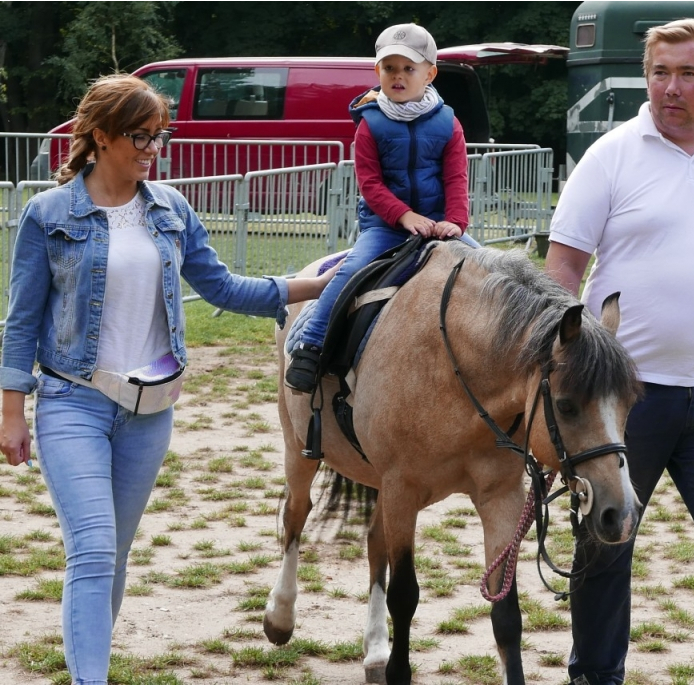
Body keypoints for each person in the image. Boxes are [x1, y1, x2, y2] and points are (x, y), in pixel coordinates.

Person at [0, 74, 338, 684]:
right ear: (99, 136)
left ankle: (88, 664)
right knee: (95, 549)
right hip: (72, 402)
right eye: (139, 136)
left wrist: (318, 285)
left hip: (149, 411)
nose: (152, 150)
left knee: (114, 553)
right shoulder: (48, 213)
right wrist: (11, 410)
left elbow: (223, 287)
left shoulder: (169, 208)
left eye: (160, 137)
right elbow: (21, 322)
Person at [544, 18, 694, 685]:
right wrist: (560, 373)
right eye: (659, 72)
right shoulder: (613, 155)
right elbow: (563, 269)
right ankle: (595, 674)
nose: (670, 88)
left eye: (686, 74)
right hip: (623, 398)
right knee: (603, 545)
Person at [285, 22, 476, 392]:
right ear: (378, 72)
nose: (398, 76)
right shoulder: (370, 123)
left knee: (490, 271)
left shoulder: (448, 123)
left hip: (439, 224)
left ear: (430, 73)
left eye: (409, 68)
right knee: (351, 270)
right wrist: (403, 216)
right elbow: (370, 184)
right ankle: (312, 345)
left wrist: (455, 221)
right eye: (389, 68)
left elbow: (456, 178)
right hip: (385, 227)